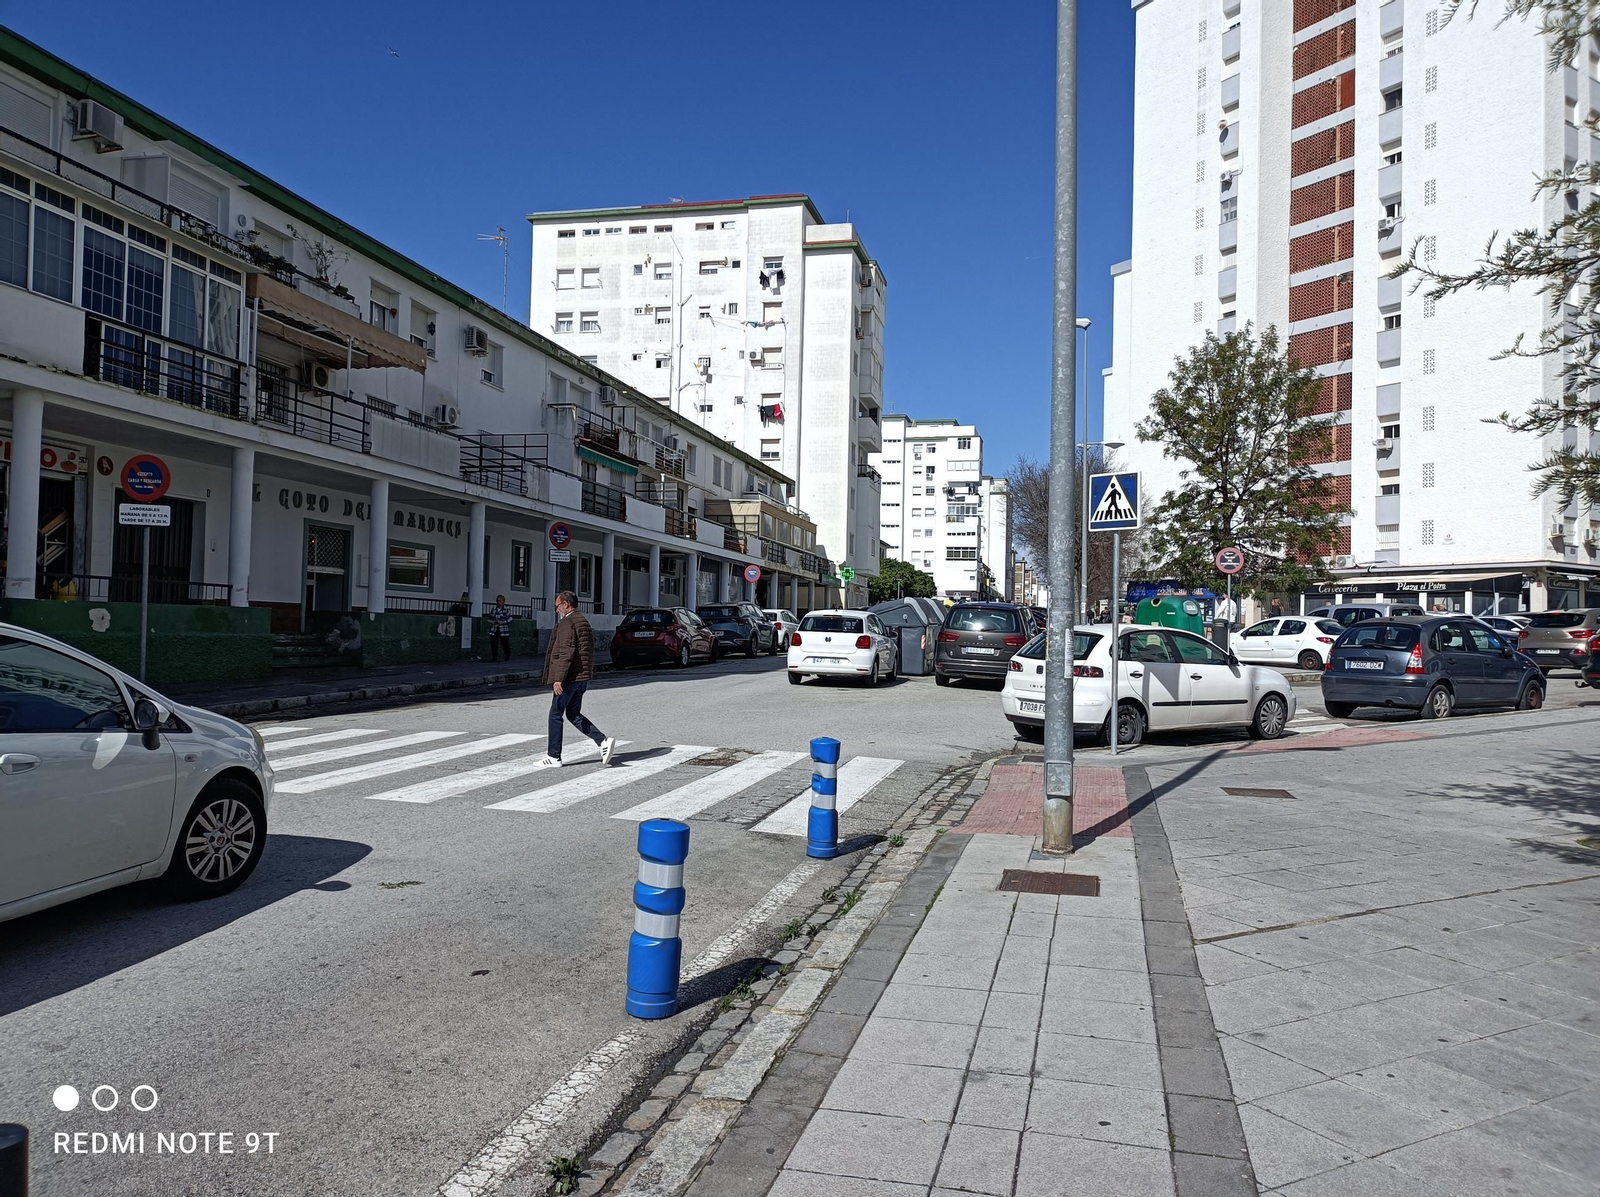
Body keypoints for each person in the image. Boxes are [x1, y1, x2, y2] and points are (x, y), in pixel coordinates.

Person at [538, 590, 615, 768]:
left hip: (569, 677)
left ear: (566, 604)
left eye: (557, 606)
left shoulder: (567, 622)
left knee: (555, 714)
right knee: (573, 714)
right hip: (581, 677)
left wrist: (558, 678)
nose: (556, 609)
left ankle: (554, 756)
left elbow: (567, 651)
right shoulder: (582, 620)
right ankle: (602, 741)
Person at [488, 594, 513, 661]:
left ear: (503, 602)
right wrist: (491, 621)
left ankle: (507, 655)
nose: (498, 602)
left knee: (504, 643)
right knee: (494, 643)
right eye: (497, 601)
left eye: (500, 601)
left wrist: (503, 622)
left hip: (504, 629)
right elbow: (490, 618)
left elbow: (510, 618)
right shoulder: (494, 609)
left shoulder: (507, 609)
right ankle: (494, 657)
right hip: (495, 628)